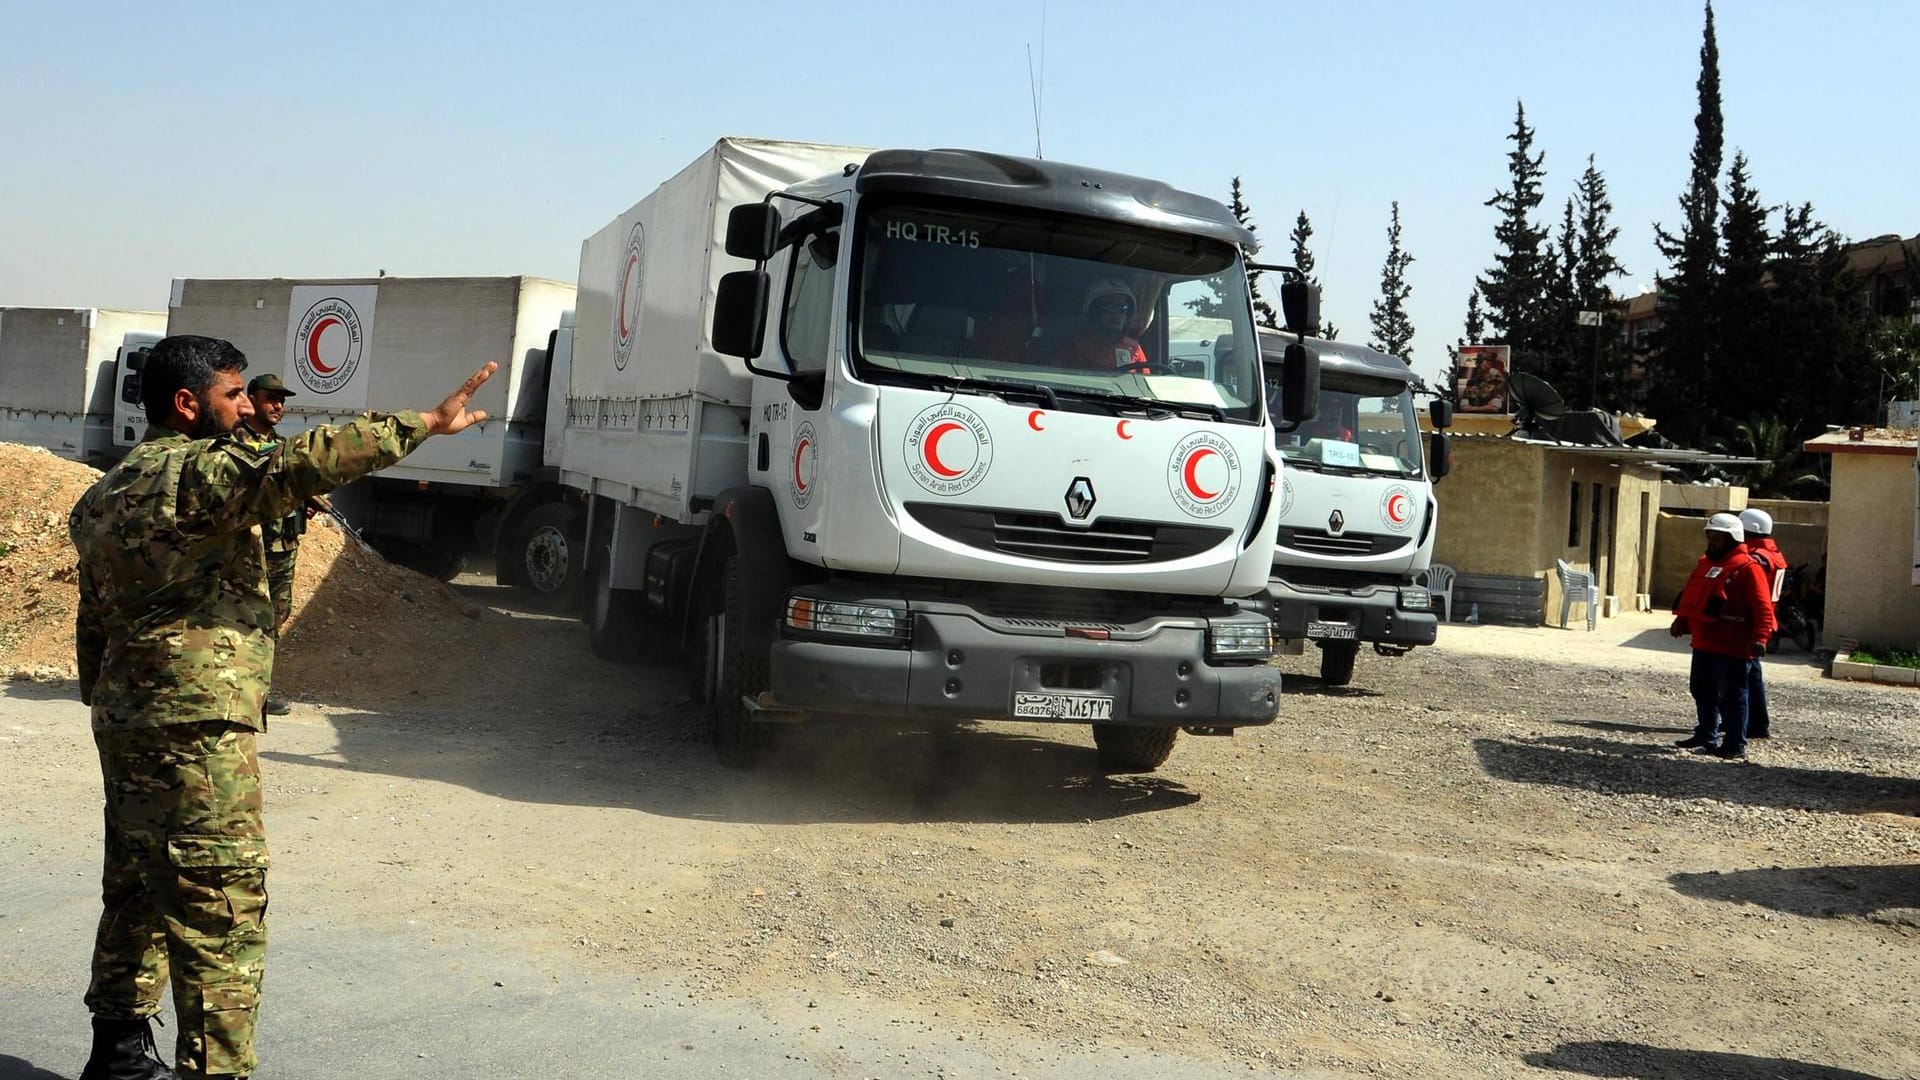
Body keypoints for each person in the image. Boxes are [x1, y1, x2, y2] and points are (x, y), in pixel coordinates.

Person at [68, 334, 496, 1080]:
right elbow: (307, 458)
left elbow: (93, 622)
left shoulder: (100, 497)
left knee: (136, 883)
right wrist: (425, 423)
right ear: (187, 403)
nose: (246, 410)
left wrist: (105, 702)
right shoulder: (200, 474)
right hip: (198, 725)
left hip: (126, 719)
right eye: (233, 395)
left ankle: (120, 1055)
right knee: (220, 908)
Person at [1668, 513, 1776, 760]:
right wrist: (1682, 621)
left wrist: (1761, 637)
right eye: (1710, 536)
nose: (1713, 541)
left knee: (1733, 696)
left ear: (1733, 538)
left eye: (1718, 537)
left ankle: (1735, 744)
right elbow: (1694, 598)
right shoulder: (1706, 563)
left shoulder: (1749, 568)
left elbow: (1763, 607)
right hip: (1704, 642)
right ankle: (1706, 734)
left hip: (1733, 645)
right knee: (1701, 689)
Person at [236, 374, 304, 716]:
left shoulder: (282, 445)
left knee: (274, 618)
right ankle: (238, 693)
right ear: (252, 399)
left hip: (282, 548)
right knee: (243, 620)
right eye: (271, 398)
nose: (278, 405)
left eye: (282, 400)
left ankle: (260, 692)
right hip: (250, 550)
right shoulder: (236, 442)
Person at [1739, 507, 1784, 739]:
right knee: (1752, 674)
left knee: (1744, 676)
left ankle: (1749, 724)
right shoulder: (1773, 553)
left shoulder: (1757, 558)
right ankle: (1756, 723)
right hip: (1764, 620)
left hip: (1752, 621)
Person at [1051, 277, 1149, 371]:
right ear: (1093, 312)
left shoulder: (1134, 349)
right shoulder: (1074, 347)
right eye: (1108, 307)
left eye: (1122, 308)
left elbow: (1144, 384)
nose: (1116, 314)